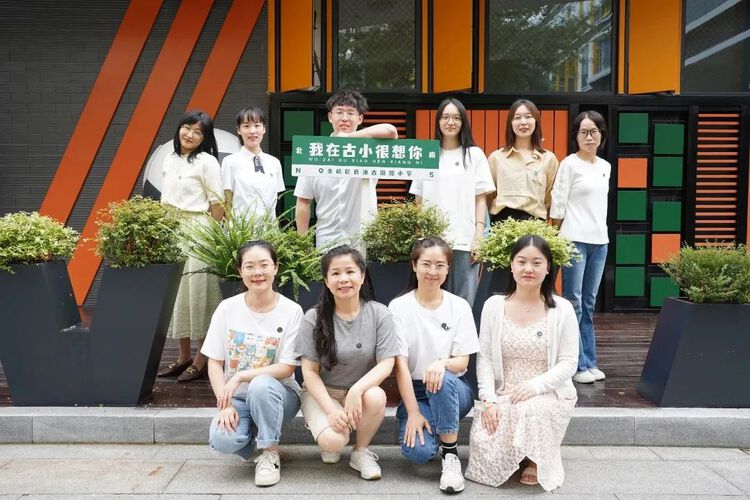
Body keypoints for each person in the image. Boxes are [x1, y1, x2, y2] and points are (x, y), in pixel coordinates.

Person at [465, 235, 579, 491]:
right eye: (522, 261)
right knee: (486, 445)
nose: (529, 268)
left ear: (548, 268)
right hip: (505, 392)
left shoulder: (562, 309)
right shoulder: (494, 306)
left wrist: (535, 386)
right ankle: (520, 452)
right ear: (511, 265)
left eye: (537, 263)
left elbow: (568, 363)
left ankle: (535, 459)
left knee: (530, 410)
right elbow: (485, 358)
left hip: (546, 393)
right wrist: (489, 400)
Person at [202, 240, 303, 487]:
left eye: (264, 265)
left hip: (279, 394)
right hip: (239, 398)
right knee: (222, 440)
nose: (257, 272)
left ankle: (270, 453)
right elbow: (214, 362)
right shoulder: (227, 309)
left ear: (276, 268)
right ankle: (257, 438)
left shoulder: (291, 311)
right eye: (249, 266)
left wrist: (240, 376)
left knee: (260, 384)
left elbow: (287, 367)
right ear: (240, 271)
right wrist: (225, 405)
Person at [298, 245, 402, 480]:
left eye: (350, 272)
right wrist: (330, 410)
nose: (343, 279)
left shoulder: (379, 313)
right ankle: (329, 435)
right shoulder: (313, 318)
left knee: (376, 396)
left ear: (362, 276)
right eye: (335, 273)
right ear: (326, 281)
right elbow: (310, 372)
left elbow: (386, 363)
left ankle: (360, 451)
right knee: (334, 442)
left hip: (359, 392)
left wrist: (357, 390)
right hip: (322, 393)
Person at [389, 237, 479, 494]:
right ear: (414, 266)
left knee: (441, 378)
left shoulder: (458, 306)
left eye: (440, 265)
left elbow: (462, 361)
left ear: (448, 268)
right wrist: (413, 412)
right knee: (419, 452)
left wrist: (441, 364)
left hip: (454, 388)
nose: (433, 271)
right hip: (416, 392)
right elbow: (400, 366)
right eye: (426, 264)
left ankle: (450, 455)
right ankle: (438, 429)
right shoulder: (398, 307)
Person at [157, 110, 224, 382]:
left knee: (199, 292)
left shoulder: (208, 162)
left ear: (204, 138)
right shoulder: (170, 158)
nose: (190, 134)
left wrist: (211, 237)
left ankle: (201, 358)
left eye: (198, 132)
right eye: (187, 128)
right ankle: (182, 356)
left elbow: (218, 204)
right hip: (173, 230)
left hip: (198, 230)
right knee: (177, 295)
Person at [409, 99, 495, 307]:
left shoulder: (474, 155)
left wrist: (478, 236)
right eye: (445, 117)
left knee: (464, 301)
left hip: (465, 239)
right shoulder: (427, 153)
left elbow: (480, 199)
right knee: (431, 297)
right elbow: (418, 200)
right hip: (432, 241)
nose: (451, 122)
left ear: (463, 122)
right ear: (438, 121)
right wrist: (419, 236)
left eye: (456, 118)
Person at [294, 89, 398, 251]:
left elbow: (391, 131)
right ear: (330, 117)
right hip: (327, 240)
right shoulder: (314, 153)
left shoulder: (369, 151)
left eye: (350, 113)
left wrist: (349, 138)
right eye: (339, 112)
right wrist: (303, 244)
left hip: (364, 240)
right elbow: (303, 202)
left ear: (360, 118)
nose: (344, 118)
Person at [550, 111, 610, 384]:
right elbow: (558, 203)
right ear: (575, 136)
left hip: (600, 241)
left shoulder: (605, 166)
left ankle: (590, 361)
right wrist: (558, 237)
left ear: (601, 135)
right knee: (573, 302)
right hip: (574, 239)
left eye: (594, 131)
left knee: (588, 303)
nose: (589, 137)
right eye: (583, 132)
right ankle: (576, 365)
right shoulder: (569, 164)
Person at [486, 99, 560, 292]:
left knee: (532, 286)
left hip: (535, 227)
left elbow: (549, 198)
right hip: (502, 228)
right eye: (517, 117)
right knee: (499, 288)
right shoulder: (496, 158)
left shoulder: (548, 159)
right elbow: (488, 197)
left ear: (536, 121)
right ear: (510, 123)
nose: (523, 122)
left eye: (528, 117)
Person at [221, 106, 285, 222]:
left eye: (257, 125)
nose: (252, 131)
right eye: (246, 126)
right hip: (239, 230)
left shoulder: (274, 163)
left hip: (268, 229)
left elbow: (275, 199)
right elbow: (227, 201)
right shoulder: (230, 162)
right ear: (239, 130)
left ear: (264, 129)